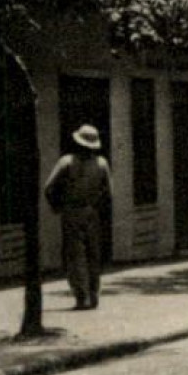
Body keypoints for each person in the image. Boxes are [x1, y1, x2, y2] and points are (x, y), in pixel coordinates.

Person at [44, 125, 113, 310]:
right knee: (93, 255)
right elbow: (109, 194)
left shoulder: (67, 162)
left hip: (72, 212)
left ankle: (81, 296)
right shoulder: (101, 163)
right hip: (92, 212)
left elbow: (49, 187)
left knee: (75, 255)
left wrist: (56, 206)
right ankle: (93, 294)